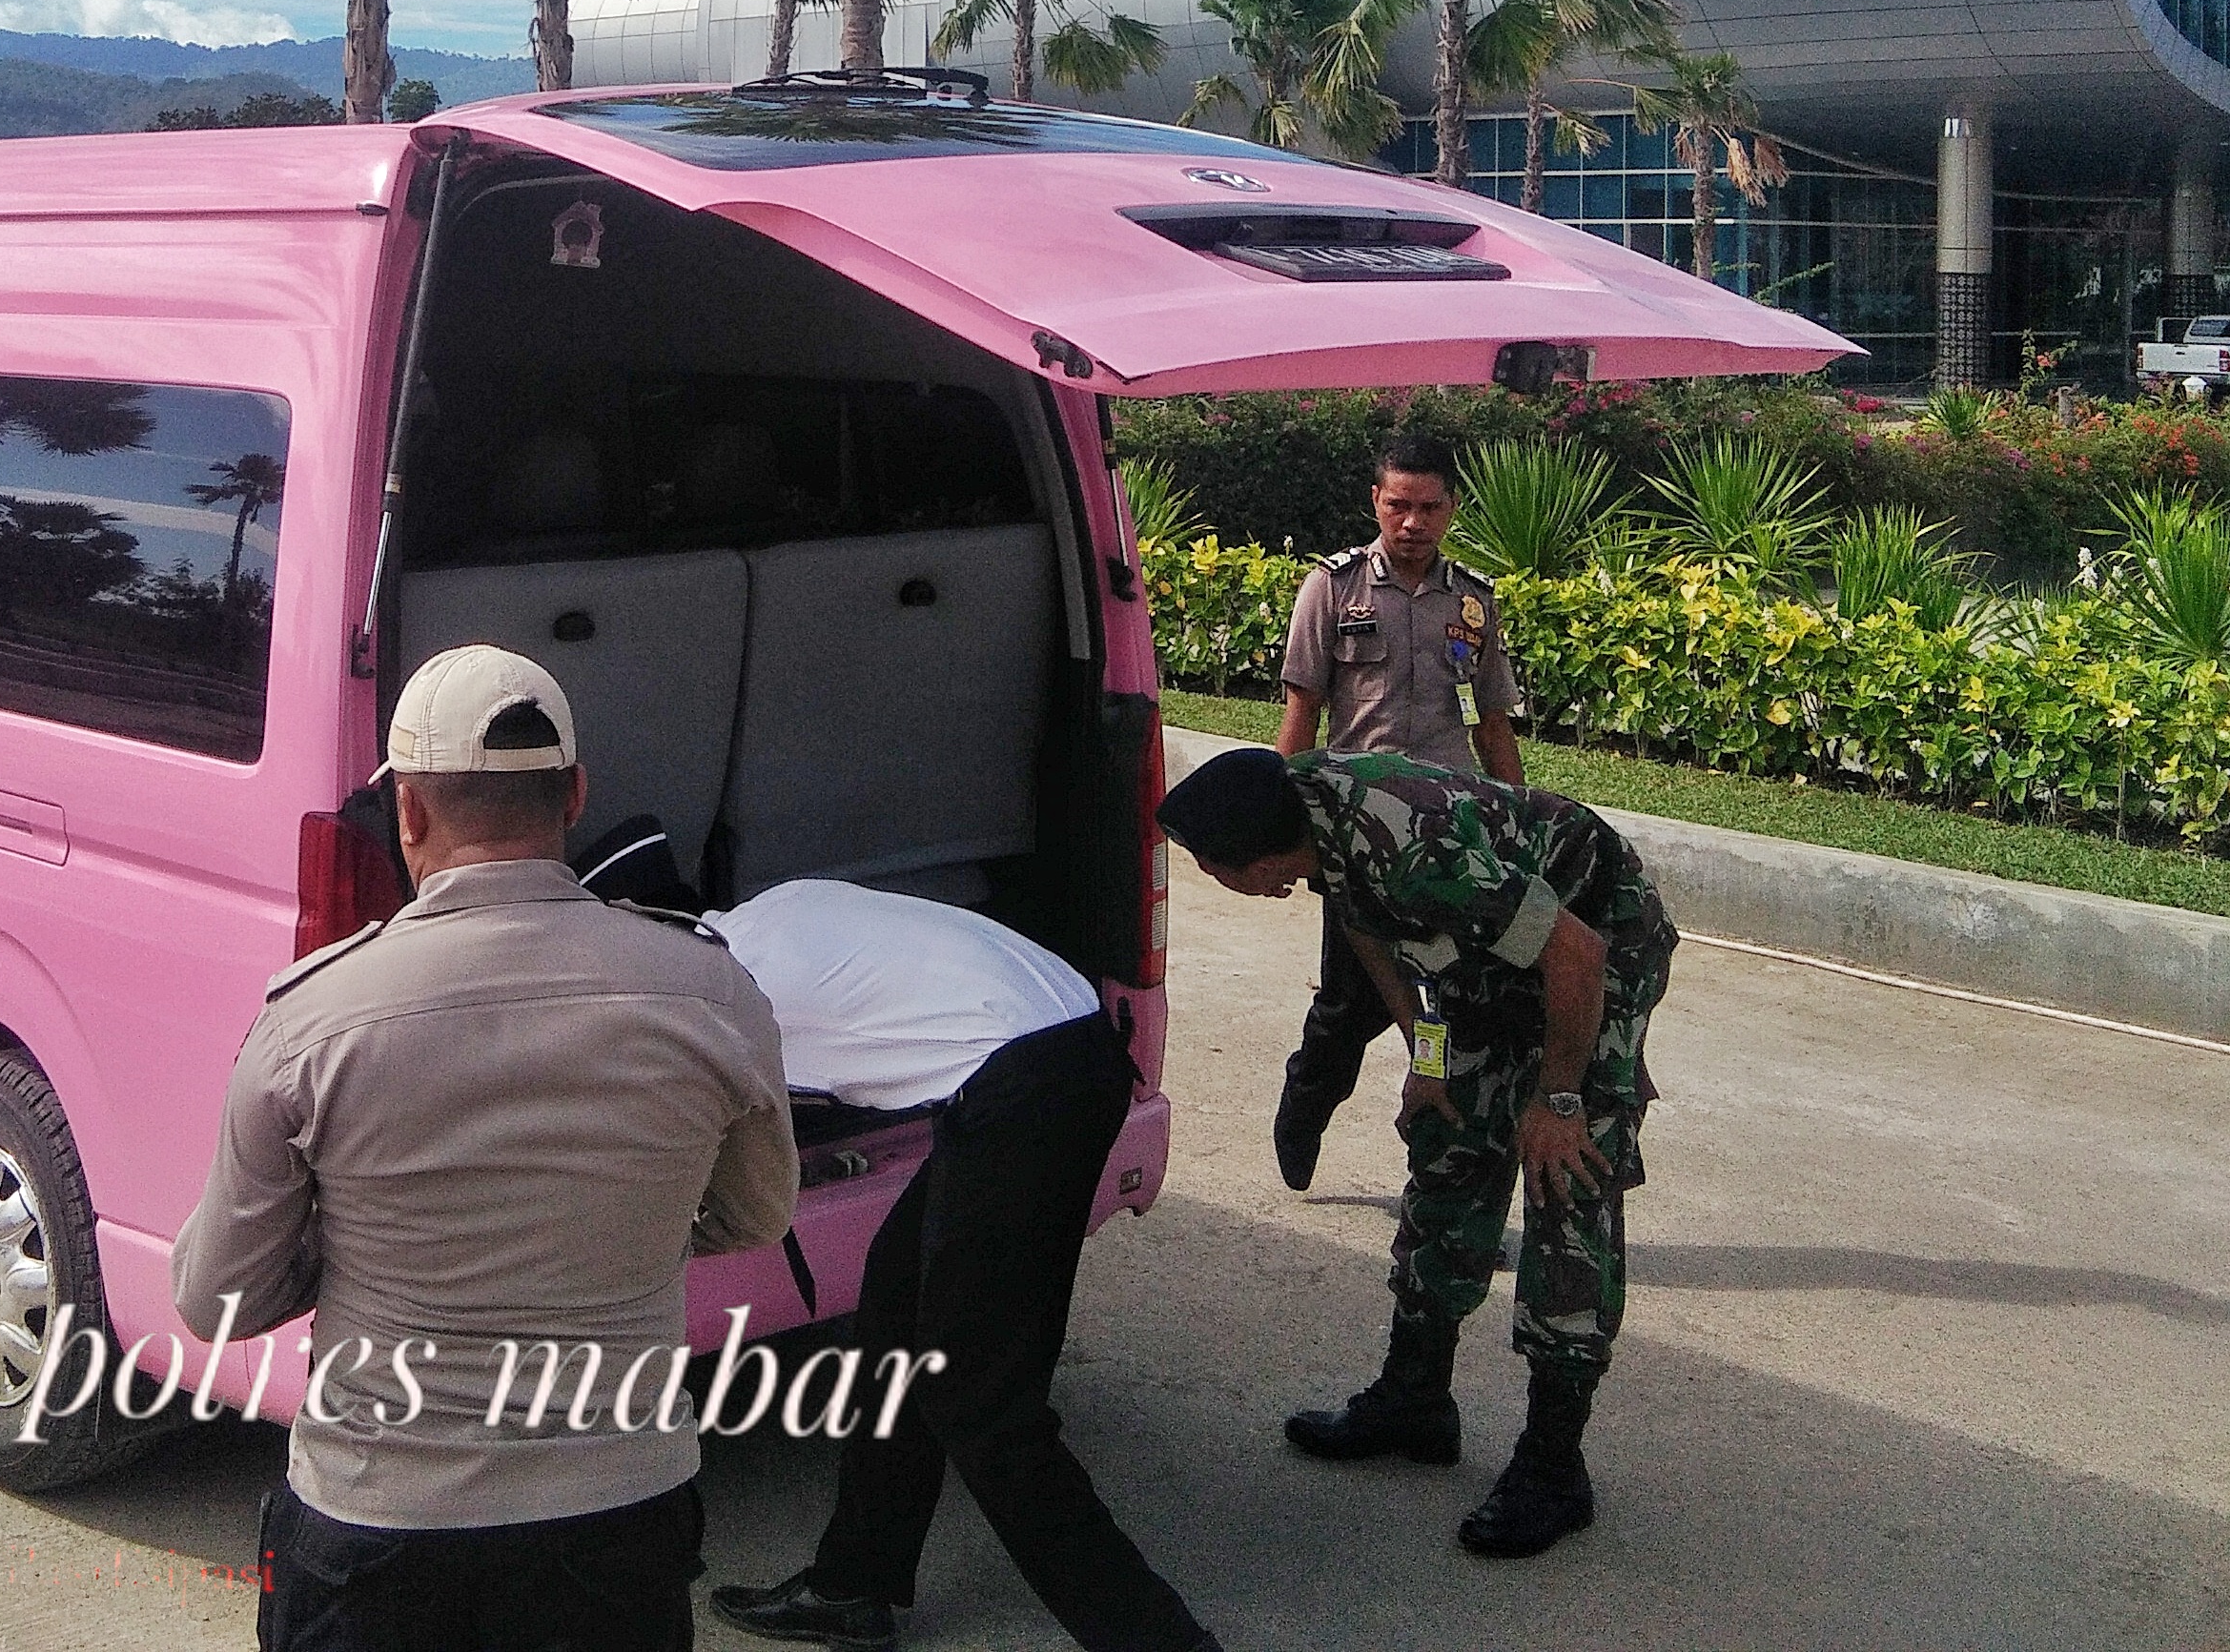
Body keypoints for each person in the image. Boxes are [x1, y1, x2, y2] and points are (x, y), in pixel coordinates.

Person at [174, 647, 795, 1652]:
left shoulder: (312, 1020)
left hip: (376, 1526)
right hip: (620, 1516)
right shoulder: (711, 998)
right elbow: (757, 1213)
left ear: (407, 813)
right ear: (576, 796)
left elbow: (217, 1301)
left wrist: (352, 1242)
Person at [571, 826, 1216, 1652]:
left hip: (1023, 1088)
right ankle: (854, 1584)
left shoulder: (721, 997)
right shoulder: (772, 911)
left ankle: (1161, 1641)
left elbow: (710, 1163)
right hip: (1072, 1039)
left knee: (982, 1406)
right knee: (895, 1314)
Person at [1157, 742, 1675, 1561]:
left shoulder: (1414, 853)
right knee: (1447, 1147)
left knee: (1564, 1182)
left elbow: (1573, 952)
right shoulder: (1315, 811)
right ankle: (1415, 1400)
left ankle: (1552, 1467)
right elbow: (1365, 928)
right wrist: (1427, 1057)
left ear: (1255, 861)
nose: (1216, 882)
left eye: (1213, 869)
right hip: (1492, 958)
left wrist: (1558, 1100)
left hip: (1598, 944)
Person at [1266, 437, 1524, 1192]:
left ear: (1451, 509)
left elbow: (1494, 723)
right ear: (1375, 503)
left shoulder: (1473, 601)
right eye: (1398, 505)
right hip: (1360, 831)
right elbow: (1301, 713)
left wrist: (1517, 822)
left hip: (1453, 832)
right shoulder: (1333, 589)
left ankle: (1444, 1189)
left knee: (1454, 1009)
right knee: (1354, 1007)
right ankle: (1307, 1096)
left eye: (1429, 507)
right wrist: (1281, 830)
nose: (1412, 522)